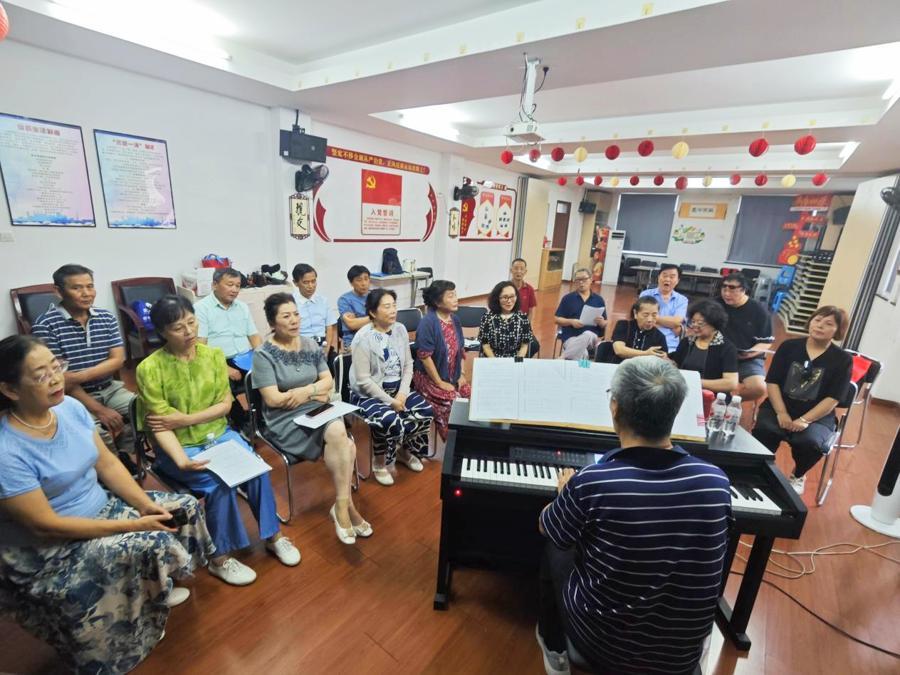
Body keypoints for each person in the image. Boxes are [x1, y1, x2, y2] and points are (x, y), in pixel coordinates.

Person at [0, 335, 214, 673]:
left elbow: (108, 464)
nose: (56, 379)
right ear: (10, 390)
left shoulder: (69, 408)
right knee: (152, 539)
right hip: (52, 547)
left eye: (57, 367)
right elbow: (45, 525)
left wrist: (144, 505)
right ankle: (123, 634)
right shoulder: (7, 449)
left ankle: (150, 588)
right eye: (41, 375)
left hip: (102, 508)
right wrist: (134, 524)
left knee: (183, 507)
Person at [536, 357, 731, 675]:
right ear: (674, 411)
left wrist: (564, 494)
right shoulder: (715, 480)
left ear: (615, 408)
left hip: (605, 648)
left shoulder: (592, 481)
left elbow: (546, 525)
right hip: (681, 654)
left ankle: (553, 645)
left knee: (556, 543)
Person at [137, 295, 300, 586]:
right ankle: (219, 558)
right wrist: (181, 460)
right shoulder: (149, 368)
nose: (189, 331)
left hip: (219, 435)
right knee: (218, 484)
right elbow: (161, 426)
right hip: (180, 447)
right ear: (162, 332)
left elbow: (225, 406)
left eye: (191, 322)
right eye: (178, 327)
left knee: (256, 469)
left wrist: (184, 419)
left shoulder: (213, 356)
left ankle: (274, 536)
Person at [252, 293, 371, 544]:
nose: (294, 320)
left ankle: (342, 507)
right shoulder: (263, 354)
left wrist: (304, 392)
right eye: (286, 316)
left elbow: (328, 380)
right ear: (272, 323)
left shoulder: (309, 345)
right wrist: (316, 392)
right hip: (284, 420)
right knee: (345, 442)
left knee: (339, 432)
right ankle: (346, 508)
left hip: (313, 408)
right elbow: (273, 399)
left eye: (296, 314)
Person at [31, 264, 134, 455]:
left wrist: (78, 376)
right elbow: (60, 380)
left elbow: (118, 360)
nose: (86, 293)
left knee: (147, 412)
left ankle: (128, 455)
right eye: (77, 288)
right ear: (58, 291)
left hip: (111, 388)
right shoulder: (45, 325)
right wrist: (100, 410)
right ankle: (114, 465)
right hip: (70, 397)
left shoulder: (106, 317)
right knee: (95, 434)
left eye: (90, 286)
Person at [752, 306, 852, 494]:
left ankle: (798, 474)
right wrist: (781, 412)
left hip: (817, 414)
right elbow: (772, 382)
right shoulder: (789, 347)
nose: (820, 326)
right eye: (817, 320)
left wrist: (805, 419)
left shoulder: (843, 359)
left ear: (838, 330)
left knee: (810, 442)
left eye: (828, 324)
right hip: (780, 406)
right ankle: (759, 469)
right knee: (765, 430)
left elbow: (833, 398)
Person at [350, 288, 435, 486]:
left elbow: (408, 365)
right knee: (388, 419)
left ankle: (405, 451)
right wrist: (391, 402)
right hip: (369, 394)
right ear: (373, 312)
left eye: (394, 305)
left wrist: (403, 393)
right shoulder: (362, 338)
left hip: (398, 390)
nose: (393, 310)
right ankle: (379, 463)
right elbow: (364, 381)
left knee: (424, 410)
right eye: (386, 306)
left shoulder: (400, 329)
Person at [194, 267, 262, 430]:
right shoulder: (201, 308)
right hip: (218, 360)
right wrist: (223, 368)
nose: (234, 290)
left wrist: (263, 357)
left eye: (237, 286)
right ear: (214, 285)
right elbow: (200, 347)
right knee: (223, 385)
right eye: (230, 284)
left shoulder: (242, 307)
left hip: (244, 358)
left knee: (268, 375)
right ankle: (239, 421)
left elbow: (254, 336)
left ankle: (261, 419)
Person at [412, 280, 471, 441]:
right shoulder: (428, 323)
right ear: (437, 302)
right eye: (450, 296)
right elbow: (425, 357)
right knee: (454, 400)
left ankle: (468, 438)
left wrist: (461, 373)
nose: (456, 299)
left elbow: (460, 350)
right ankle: (454, 442)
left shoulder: (455, 320)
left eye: (455, 295)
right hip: (429, 378)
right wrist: (439, 382)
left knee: (470, 395)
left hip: (452, 375)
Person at [719, 272, 775, 402]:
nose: (726, 294)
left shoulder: (759, 311)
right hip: (718, 354)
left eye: (732, 289)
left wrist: (749, 354)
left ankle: (730, 401)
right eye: (724, 288)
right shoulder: (715, 305)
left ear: (743, 290)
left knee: (758, 388)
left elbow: (766, 342)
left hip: (747, 359)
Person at [671, 300, 739, 394]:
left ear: (714, 324)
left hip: (712, 396)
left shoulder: (727, 348)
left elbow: (731, 383)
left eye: (700, 323)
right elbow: (675, 365)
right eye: (693, 322)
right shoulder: (687, 342)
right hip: (683, 392)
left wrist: (695, 382)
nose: (695, 326)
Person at [554, 268, 608, 360]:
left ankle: (563, 357)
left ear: (591, 279)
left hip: (592, 337)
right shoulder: (567, 298)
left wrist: (602, 322)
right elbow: (557, 319)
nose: (581, 282)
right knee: (583, 353)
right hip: (570, 336)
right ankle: (584, 367)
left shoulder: (599, 300)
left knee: (587, 334)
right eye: (578, 280)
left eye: (584, 279)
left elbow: (605, 322)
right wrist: (571, 321)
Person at [291, 263, 339, 357]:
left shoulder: (323, 301)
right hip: (300, 347)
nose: (311, 286)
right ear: (295, 283)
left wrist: (327, 351)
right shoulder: (290, 303)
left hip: (323, 345)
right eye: (306, 282)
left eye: (313, 281)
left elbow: (330, 327)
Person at [639, 263, 689, 353]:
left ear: (677, 280)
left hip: (671, 345)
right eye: (664, 275)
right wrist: (670, 325)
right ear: (658, 277)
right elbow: (642, 320)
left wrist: (652, 318)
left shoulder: (682, 300)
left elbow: (676, 321)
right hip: (646, 341)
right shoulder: (646, 294)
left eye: (672, 277)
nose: (667, 279)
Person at [478, 281, 534, 358]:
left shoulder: (523, 318)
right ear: (497, 298)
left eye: (512, 296)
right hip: (493, 357)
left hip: (515, 358)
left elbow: (524, 345)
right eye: (505, 297)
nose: (509, 301)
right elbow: (485, 345)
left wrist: (518, 361)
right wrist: (495, 362)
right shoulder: (487, 318)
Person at [610, 296, 669, 363]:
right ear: (635, 313)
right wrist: (646, 354)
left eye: (654, 315)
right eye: (645, 315)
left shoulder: (660, 337)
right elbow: (619, 350)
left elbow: (662, 360)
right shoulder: (624, 325)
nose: (650, 320)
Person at [337, 265, 371, 350]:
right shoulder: (345, 299)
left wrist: (359, 320)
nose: (363, 283)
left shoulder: (376, 296)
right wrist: (376, 318)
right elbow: (352, 324)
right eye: (359, 280)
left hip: (374, 339)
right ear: (351, 283)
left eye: (366, 279)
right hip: (353, 342)